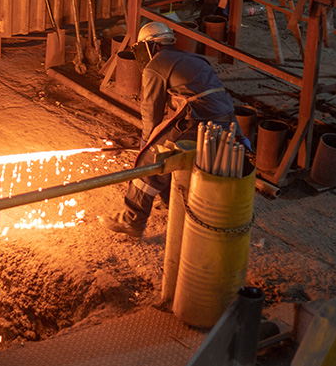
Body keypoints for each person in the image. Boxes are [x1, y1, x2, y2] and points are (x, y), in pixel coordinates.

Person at [100, 20, 245, 238]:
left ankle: (132, 220)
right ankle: (172, 203)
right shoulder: (190, 58)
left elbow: (151, 110)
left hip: (199, 121)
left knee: (151, 159)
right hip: (226, 120)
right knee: (172, 154)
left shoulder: (156, 65)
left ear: (150, 46)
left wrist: (147, 143)